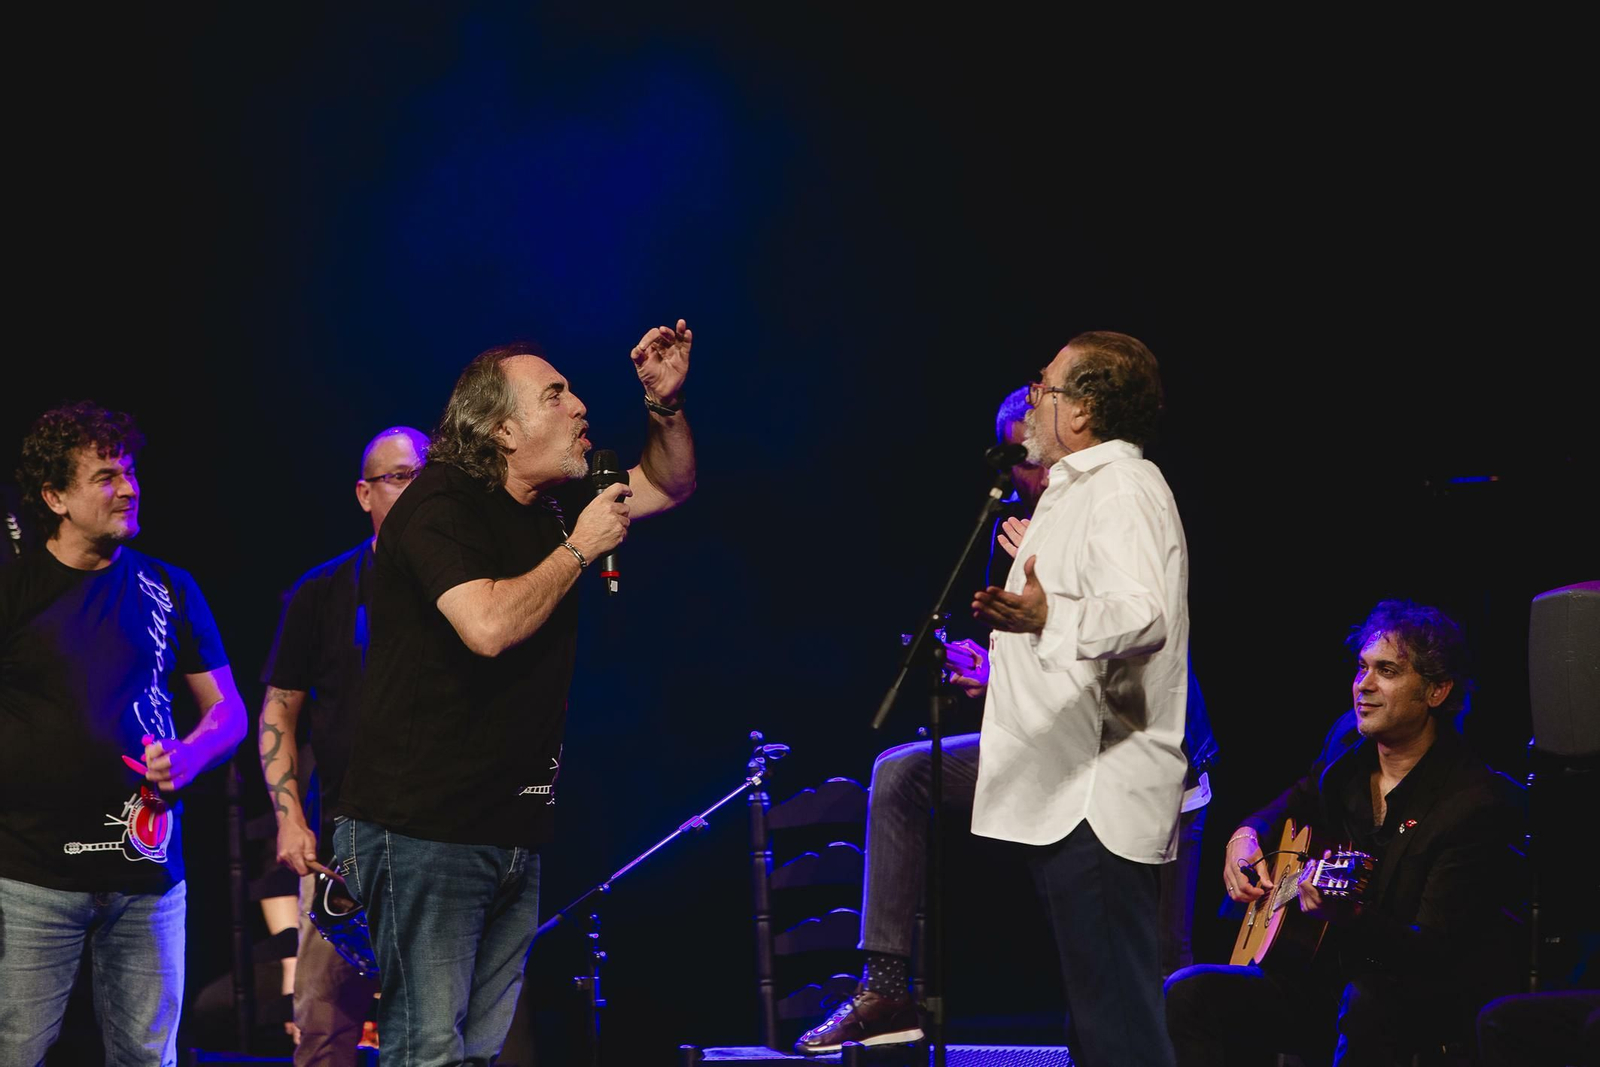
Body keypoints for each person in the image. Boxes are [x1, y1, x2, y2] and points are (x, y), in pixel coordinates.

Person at [798, 332, 1189, 1067]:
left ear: (1085, 408)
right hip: (1064, 781)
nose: (1033, 397)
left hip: (1096, 797)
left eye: (1046, 385)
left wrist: (1046, 617)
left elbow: (1143, 614)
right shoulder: (1076, 494)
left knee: (1122, 1034)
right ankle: (885, 985)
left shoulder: (1122, 488)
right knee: (1101, 1029)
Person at [331, 322, 696, 1065]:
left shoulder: (547, 505)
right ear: (501, 428)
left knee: (478, 1050)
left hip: (509, 825)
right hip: (423, 824)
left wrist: (665, 405)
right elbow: (488, 625)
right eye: (556, 394)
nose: (581, 405)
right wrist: (580, 549)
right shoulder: (438, 504)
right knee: (426, 1047)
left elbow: (670, 483)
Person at [1164, 600, 1525, 1066]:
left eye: (1387, 672)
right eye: (1362, 669)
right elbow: (1295, 797)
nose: (1364, 686)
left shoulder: (1470, 803)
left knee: (1365, 1003)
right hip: (1319, 978)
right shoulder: (1348, 746)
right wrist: (1246, 834)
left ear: (1436, 692)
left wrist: (1351, 918)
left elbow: (1432, 951)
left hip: (1408, 997)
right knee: (1189, 992)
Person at [0, 401, 248, 1066]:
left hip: (145, 873)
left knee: (148, 1055)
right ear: (55, 496)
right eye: (107, 475)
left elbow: (228, 710)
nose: (129, 487)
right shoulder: (15, 590)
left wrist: (191, 755)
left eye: (131, 471)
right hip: (31, 876)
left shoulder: (169, 584)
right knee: (16, 1049)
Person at [257, 426, 429, 1065]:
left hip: (444, 851)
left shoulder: (469, 584)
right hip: (344, 857)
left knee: (439, 1033)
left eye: (427, 477)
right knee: (325, 1031)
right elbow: (280, 705)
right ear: (364, 493)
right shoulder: (322, 591)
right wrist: (289, 817)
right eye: (400, 477)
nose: (417, 491)